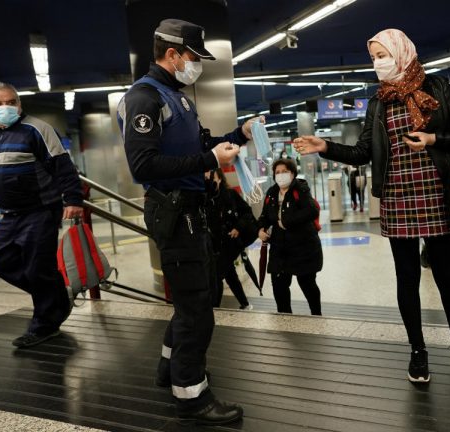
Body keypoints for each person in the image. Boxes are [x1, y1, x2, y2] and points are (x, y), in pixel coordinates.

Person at [293, 29, 450, 383]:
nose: (378, 63)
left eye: (382, 55)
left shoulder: (437, 87)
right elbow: (364, 152)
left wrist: (432, 139)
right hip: (397, 198)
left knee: (446, 276)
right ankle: (418, 350)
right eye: (374, 57)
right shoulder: (379, 101)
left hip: (438, 194)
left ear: (402, 52)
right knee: (407, 278)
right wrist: (325, 147)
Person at [117, 18, 261, 425]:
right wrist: (209, 161)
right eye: (193, 57)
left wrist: (240, 135)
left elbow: (203, 146)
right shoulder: (145, 98)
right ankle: (191, 395)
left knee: (190, 299)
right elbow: (143, 165)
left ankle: (169, 369)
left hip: (191, 211)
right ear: (173, 54)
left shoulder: (175, 97)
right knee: (198, 308)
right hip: (175, 212)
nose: (196, 65)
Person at [0, 81, 84, 348]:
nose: (5, 107)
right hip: (10, 214)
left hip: (40, 211)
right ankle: (56, 299)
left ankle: (45, 325)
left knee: (39, 269)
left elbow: (63, 166)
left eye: (11, 101)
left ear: (19, 103)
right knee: (5, 265)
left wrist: (73, 199)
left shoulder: (37, 129)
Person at [257, 158, 323, 315]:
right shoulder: (272, 193)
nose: (281, 175)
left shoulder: (300, 189)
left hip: (303, 247)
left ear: (293, 173)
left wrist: (286, 222)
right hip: (279, 249)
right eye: (277, 172)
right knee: (279, 285)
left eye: (285, 172)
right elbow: (264, 216)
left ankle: (317, 314)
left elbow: (312, 210)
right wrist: (260, 229)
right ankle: (285, 318)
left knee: (307, 283)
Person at [204, 168, 255, 309]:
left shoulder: (231, 195)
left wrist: (238, 227)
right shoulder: (205, 198)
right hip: (215, 244)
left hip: (231, 241)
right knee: (229, 273)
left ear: (220, 179)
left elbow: (247, 212)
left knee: (217, 274)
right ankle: (245, 304)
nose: (210, 183)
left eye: (213, 179)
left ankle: (215, 308)